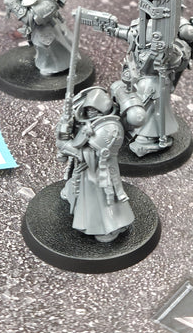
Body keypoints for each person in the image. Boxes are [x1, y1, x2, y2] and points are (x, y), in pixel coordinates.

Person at [57, 87, 136, 242]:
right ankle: (72, 195)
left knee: (100, 199)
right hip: (87, 169)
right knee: (79, 188)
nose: (90, 112)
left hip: (99, 170)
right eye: (88, 109)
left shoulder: (109, 128)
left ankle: (108, 227)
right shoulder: (90, 123)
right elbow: (79, 137)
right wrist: (66, 126)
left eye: (94, 110)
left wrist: (64, 144)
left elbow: (87, 153)